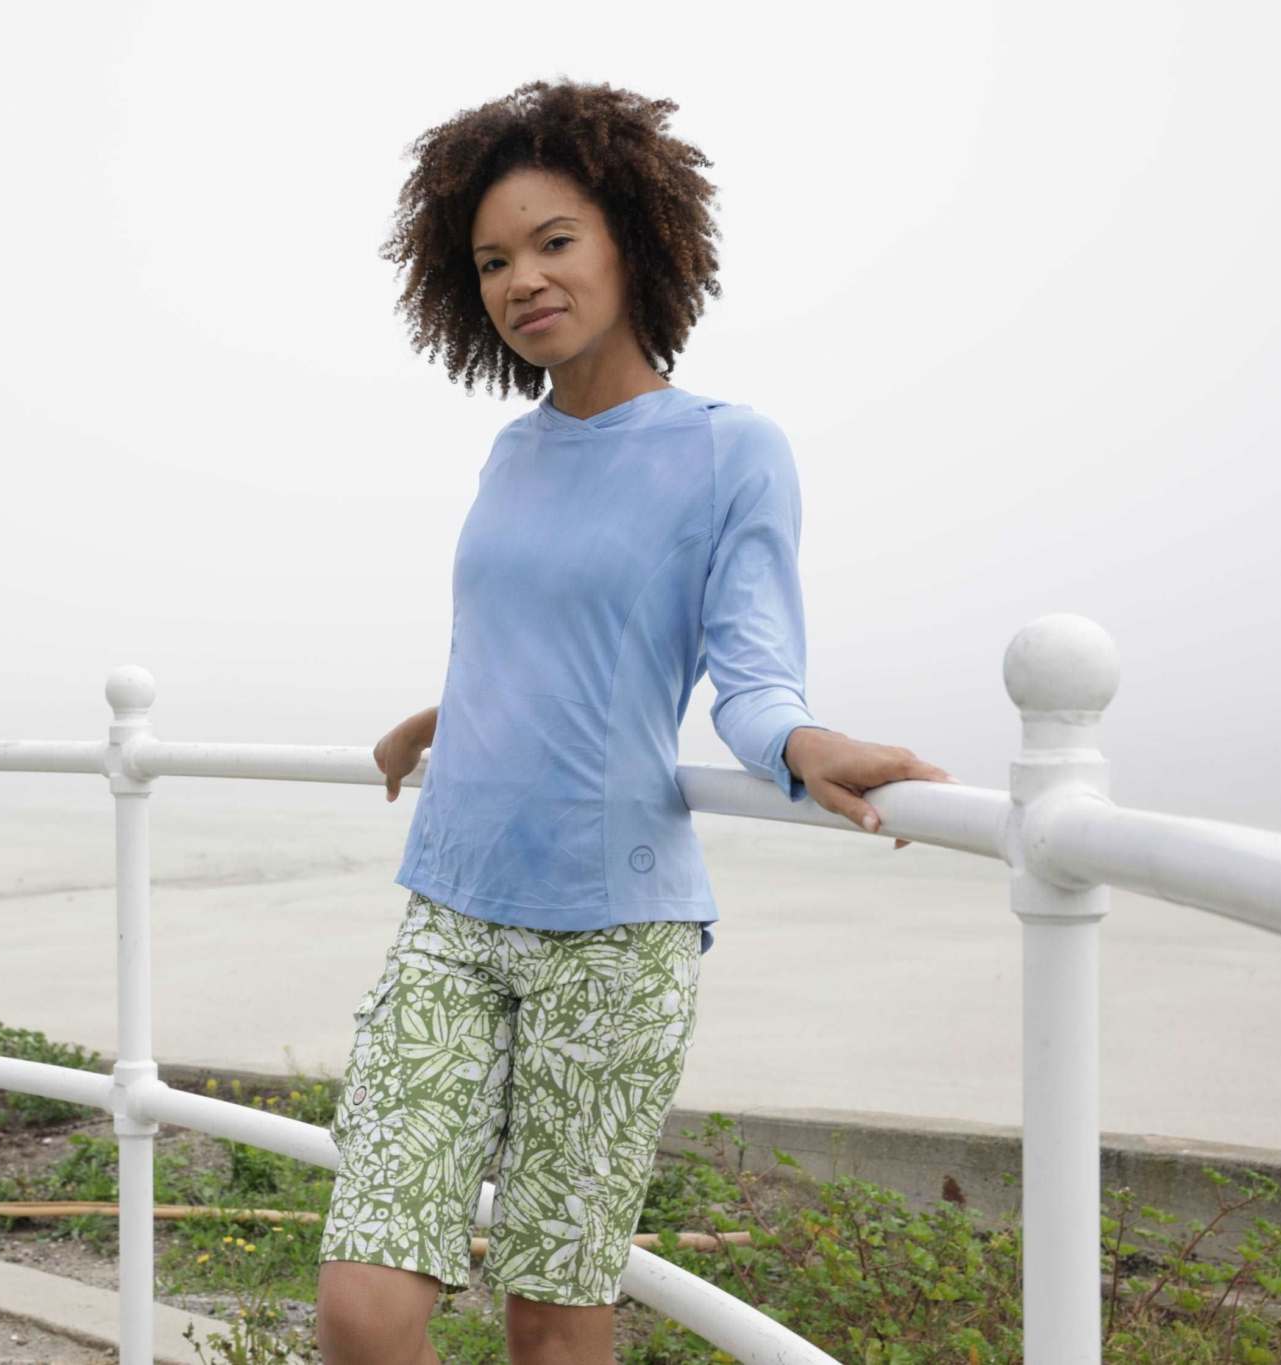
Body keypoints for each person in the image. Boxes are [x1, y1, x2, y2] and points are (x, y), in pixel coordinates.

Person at [316, 78, 954, 1365]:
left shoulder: (728, 448)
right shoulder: (512, 452)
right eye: (492, 259)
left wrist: (801, 743)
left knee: (553, 1325)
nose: (521, 279)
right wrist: (430, 722)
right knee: (362, 1312)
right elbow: (542, 633)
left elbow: (747, 666)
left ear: (630, 241)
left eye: (553, 241)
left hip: (611, 940)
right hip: (449, 909)